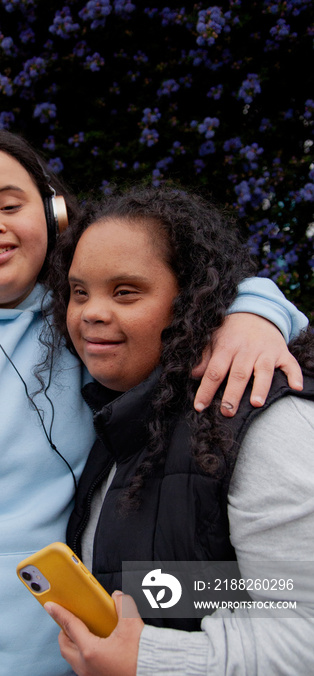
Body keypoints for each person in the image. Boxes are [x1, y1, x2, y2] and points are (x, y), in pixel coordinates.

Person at [0, 127, 308, 676]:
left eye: (10, 204)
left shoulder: (88, 326)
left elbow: (189, 281)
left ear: (55, 214)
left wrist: (255, 315)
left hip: (75, 661)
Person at [44, 185, 314, 676]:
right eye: (79, 292)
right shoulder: (125, 412)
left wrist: (148, 659)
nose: (91, 312)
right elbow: (199, 587)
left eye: (125, 291)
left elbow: (304, 626)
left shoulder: (263, 420)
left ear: (191, 300)